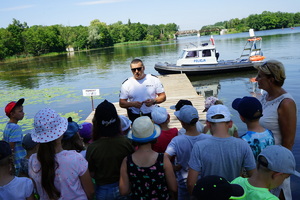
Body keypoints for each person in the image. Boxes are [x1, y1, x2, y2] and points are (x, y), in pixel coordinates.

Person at [187, 105, 256, 194]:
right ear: (230, 124)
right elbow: (253, 177)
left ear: (208, 124)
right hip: (233, 195)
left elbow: (190, 183)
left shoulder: (199, 146)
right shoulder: (243, 145)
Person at [28, 108, 94, 199]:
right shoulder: (75, 158)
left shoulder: (33, 161)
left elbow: (37, 190)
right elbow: (90, 192)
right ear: (61, 133)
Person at [255, 60, 297, 200]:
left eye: (260, 76)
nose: (256, 79)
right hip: (262, 163)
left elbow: (288, 142)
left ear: (271, 79)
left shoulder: (286, 103)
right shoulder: (265, 97)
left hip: (275, 167)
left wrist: (277, 171)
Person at [86, 100, 134, 200]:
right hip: (125, 186)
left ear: (96, 123)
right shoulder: (127, 142)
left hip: (103, 191)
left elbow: (91, 173)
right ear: (117, 121)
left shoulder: (92, 147)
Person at [119, 116, 177, 199]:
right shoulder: (162, 159)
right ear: (154, 136)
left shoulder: (127, 161)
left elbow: (123, 191)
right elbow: (173, 188)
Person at [165, 105, 211, 199]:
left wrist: (173, 167)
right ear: (197, 119)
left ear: (182, 123)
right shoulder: (209, 139)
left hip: (184, 183)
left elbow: (165, 158)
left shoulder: (177, 140)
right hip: (204, 182)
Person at [231, 145, 300, 200]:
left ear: (258, 164)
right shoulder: (270, 198)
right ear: (276, 175)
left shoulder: (237, 181)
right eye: (284, 178)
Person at [3, 98, 26, 175]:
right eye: (20, 111)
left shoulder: (8, 126)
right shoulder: (16, 128)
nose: (23, 113)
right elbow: (11, 147)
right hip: (18, 162)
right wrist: (11, 165)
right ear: (12, 114)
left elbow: (4, 141)